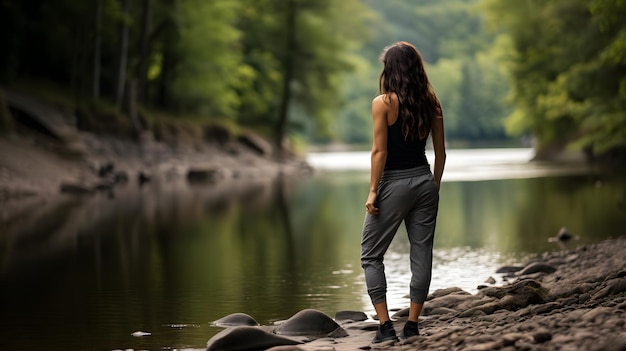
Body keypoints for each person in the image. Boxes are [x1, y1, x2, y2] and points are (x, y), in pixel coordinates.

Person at [360, 41, 446, 343]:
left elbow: (379, 152)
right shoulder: (431, 102)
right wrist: (433, 187)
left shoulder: (382, 103)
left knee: (371, 255)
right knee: (422, 255)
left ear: (390, 69)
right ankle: (412, 324)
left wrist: (373, 192)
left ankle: (385, 329)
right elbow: (441, 153)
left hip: (393, 184)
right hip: (424, 181)